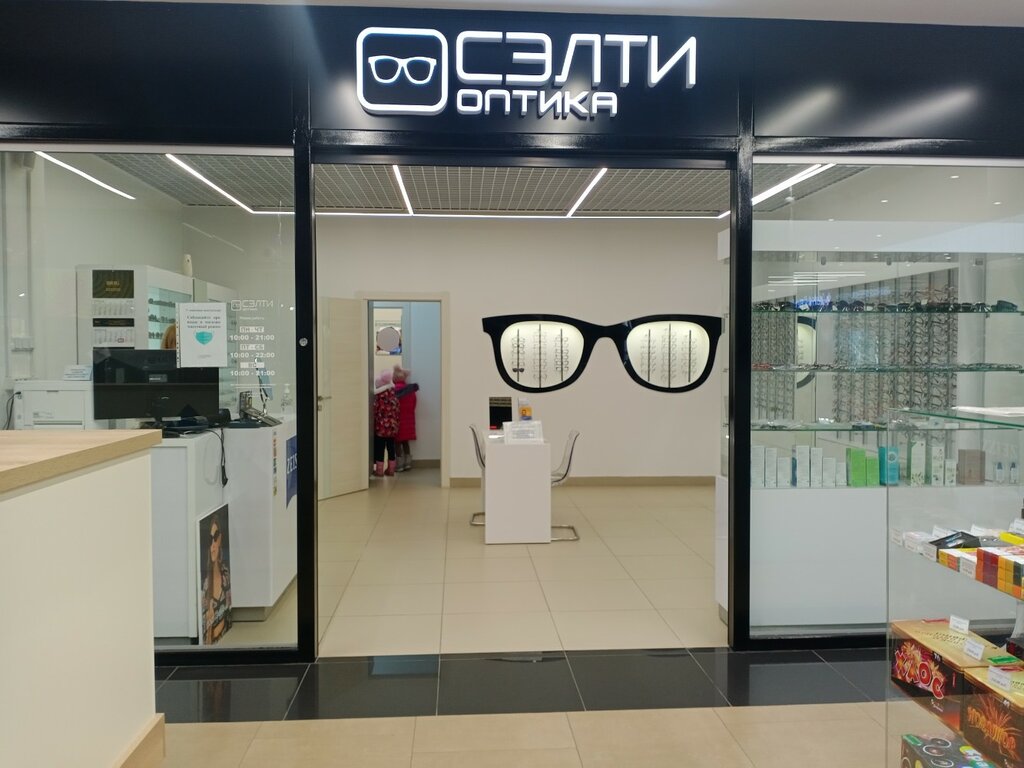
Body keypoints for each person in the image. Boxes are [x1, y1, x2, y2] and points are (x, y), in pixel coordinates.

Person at [201, 511, 231, 644]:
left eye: (216, 537)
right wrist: (209, 624)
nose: (213, 546)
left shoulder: (226, 576)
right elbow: (207, 642)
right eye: (210, 540)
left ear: (220, 539)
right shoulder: (206, 588)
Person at [372, 370, 400, 477]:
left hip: (381, 428)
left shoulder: (379, 398)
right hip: (392, 428)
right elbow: (397, 412)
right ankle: (391, 470)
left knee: (380, 448)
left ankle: (379, 471)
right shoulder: (394, 397)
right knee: (391, 448)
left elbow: (375, 411)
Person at [393, 365, 419, 472]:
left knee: (397, 442)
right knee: (405, 442)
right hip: (408, 419)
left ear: (394, 378)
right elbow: (414, 405)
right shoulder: (410, 390)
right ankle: (408, 463)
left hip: (396, 420)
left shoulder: (393, 390)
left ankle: (399, 465)